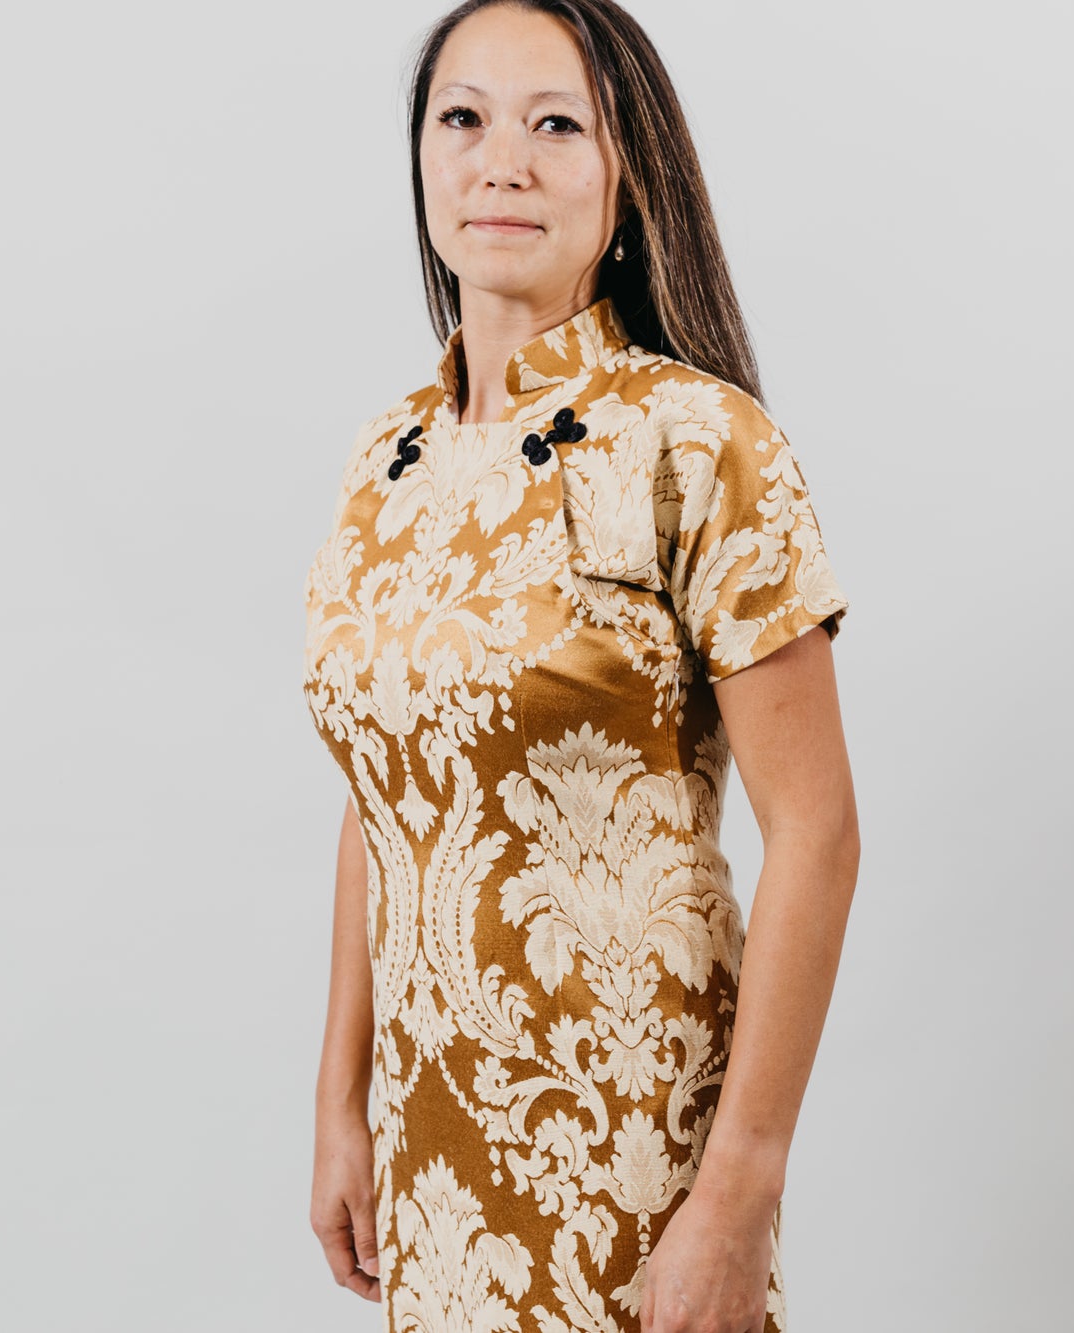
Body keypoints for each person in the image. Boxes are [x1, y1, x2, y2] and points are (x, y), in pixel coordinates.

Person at [299, 3, 860, 1329]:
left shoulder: (701, 446)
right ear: (423, 162)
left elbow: (819, 831)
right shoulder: (385, 464)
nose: (506, 160)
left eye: (558, 124)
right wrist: (339, 1103)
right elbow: (384, 794)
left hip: (631, 1157)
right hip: (436, 1162)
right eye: (465, 119)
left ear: (626, 178)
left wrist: (738, 1192)